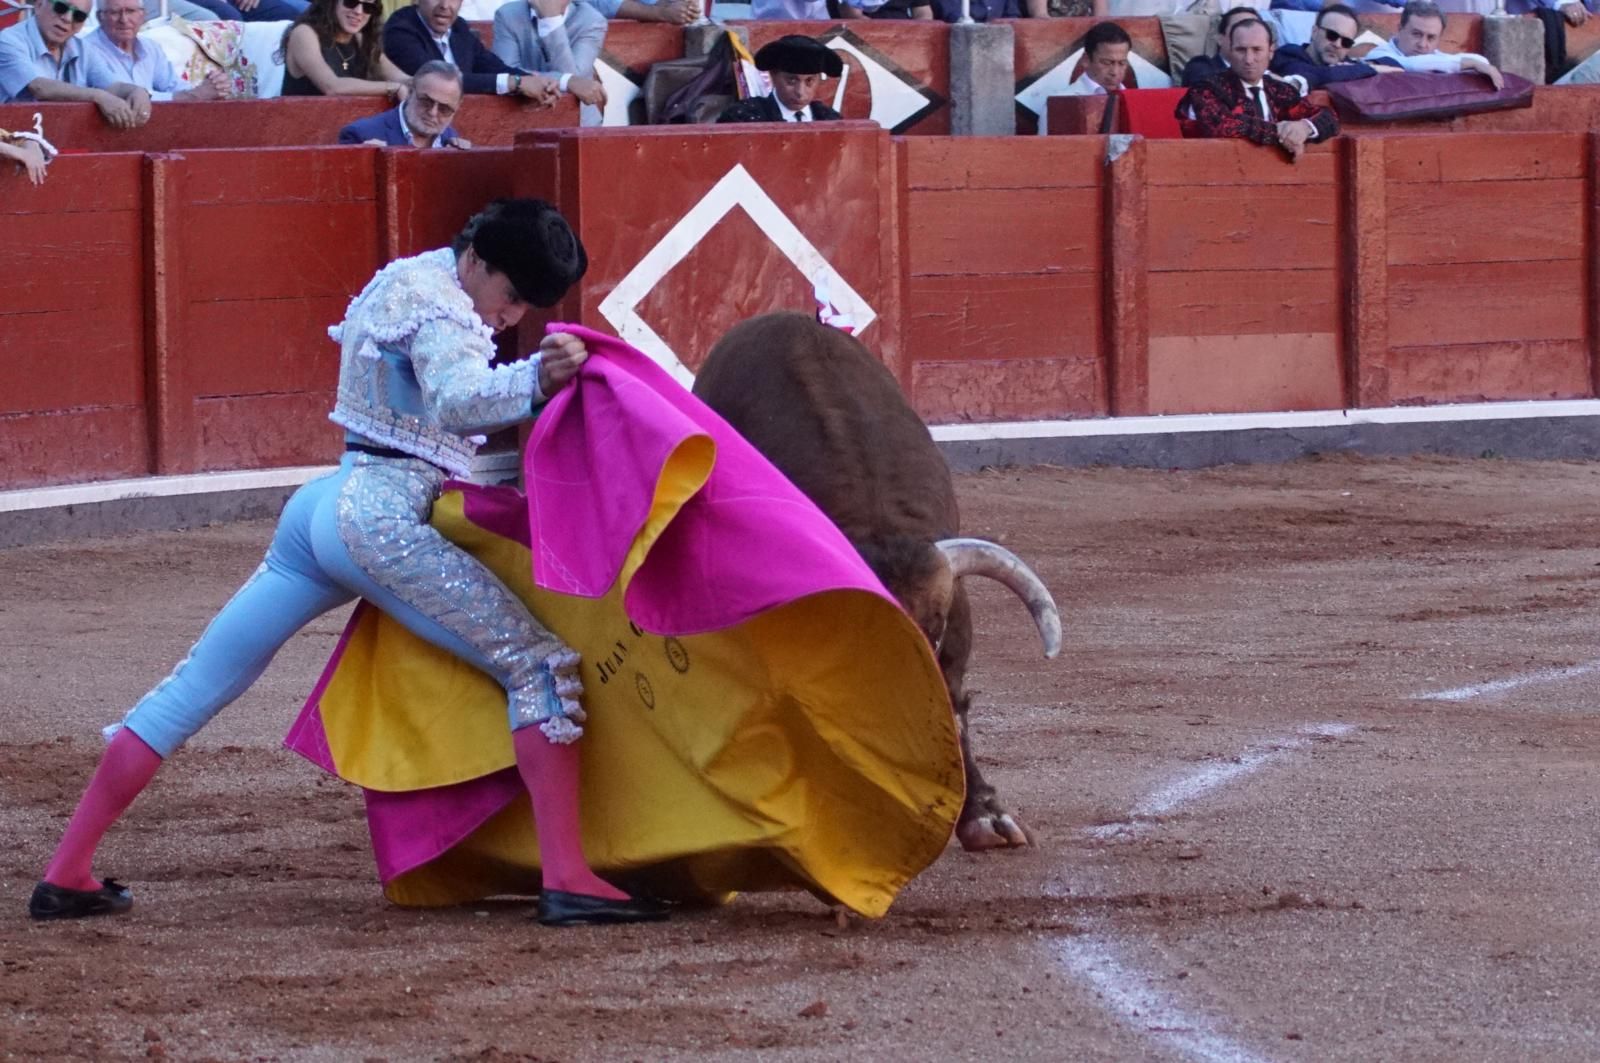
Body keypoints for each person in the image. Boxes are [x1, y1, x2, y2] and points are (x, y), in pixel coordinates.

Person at [29, 199, 667, 929]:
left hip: (322, 507)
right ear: (478, 261)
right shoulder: (442, 309)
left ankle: (66, 870)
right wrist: (536, 381)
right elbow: (459, 400)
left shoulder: (410, 275)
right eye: (510, 295)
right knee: (539, 666)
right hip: (378, 517)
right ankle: (568, 877)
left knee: (196, 683)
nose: (509, 315)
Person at [1179, 17, 1338, 161]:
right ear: (1230, 51)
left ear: (1270, 52)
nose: (1249, 59)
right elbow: (1223, 125)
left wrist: (1304, 128)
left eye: (1257, 50)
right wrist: (1281, 133)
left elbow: (1328, 117)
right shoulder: (1207, 89)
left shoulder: (1278, 90)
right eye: (1241, 50)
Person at [0, 0, 142, 128]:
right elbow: (38, 87)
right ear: (39, 5)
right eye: (61, 7)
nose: (67, 19)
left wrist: (137, 91)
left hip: (57, 138)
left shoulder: (83, 49)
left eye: (78, 16)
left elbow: (112, 86)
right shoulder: (7, 41)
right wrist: (98, 96)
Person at [385, 0, 557, 103]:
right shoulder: (401, 29)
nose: (445, 5)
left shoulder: (459, 28)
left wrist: (538, 83)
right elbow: (440, 79)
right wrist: (517, 83)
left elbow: (492, 65)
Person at [85, 0, 231, 102]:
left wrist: (212, 87)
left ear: (142, 16)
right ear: (100, 17)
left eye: (130, 11)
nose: (124, 19)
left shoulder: (150, 48)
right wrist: (194, 95)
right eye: (115, 12)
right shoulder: (88, 51)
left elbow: (174, 86)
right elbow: (130, 99)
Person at [491, 0, 608, 112]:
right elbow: (505, 73)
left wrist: (551, 22)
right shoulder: (508, 14)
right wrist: (563, 81)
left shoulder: (592, 20)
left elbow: (575, 79)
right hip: (520, 111)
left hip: (578, 121)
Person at [280, 0, 411, 99]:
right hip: (301, 126)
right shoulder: (304, 33)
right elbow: (331, 87)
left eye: (368, 7)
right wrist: (391, 87)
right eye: (351, 2)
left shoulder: (361, 39)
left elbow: (400, 77)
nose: (359, 11)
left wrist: (422, 81)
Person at [1363, 0, 1504, 89]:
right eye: (1416, 34)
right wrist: (1471, 63)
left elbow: (1481, 61)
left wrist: (1475, 63)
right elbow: (1411, 65)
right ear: (1400, 30)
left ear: (1439, 38)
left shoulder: (1438, 58)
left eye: (1431, 38)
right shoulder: (1378, 54)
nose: (1423, 44)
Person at [1270, 3, 1401, 90]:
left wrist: (1366, 64)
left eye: (1346, 42)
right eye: (1332, 35)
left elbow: (1395, 66)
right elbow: (1313, 75)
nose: (1338, 44)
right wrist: (1368, 69)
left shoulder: (1345, 64)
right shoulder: (1288, 54)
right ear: (1314, 32)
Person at [716, 34, 843, 124]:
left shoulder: (830, 120)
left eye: (809, 81)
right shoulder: (743, 117)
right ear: (773, 76)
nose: (800, 92)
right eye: (791, 81)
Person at [338, 59, 468, 146]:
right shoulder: (361, 135)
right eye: (426, 101)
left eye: (444, 109)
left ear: (457, 107)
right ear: (410, 92)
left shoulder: (452, 141)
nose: (433, 113)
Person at [1181, 5, 1263, 88]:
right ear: (1220, 39)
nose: (1248, 35)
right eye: (1238, 28)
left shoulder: (1268, 70)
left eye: (1254, 30)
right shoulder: (1201, 67)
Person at [1063, 20, 1132, 97]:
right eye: (1107, 63)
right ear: (1086, 60)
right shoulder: (1062, 101)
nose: (1115, 72)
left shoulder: (1134, 100)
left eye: (1122, 63)